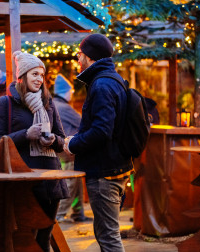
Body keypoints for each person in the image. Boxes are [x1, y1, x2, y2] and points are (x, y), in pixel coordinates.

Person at [0, 51, 68, 252]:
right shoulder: (5, 103)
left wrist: (52, 140)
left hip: (50, 180)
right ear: (22, 76)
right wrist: (26, 134)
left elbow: (61, 140)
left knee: (44, 238)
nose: (39, 79)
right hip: (23, 182)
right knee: (24, 240)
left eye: (42, 75)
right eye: (34, 74)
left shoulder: (48, 104)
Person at [63, 34, 134, 252]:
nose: (77, 58)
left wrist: (73, 144)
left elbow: (102, 130)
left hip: (104, 171)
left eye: (79, 54)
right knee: (106, 233)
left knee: (108, 236)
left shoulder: (102, 85)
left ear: (89, 56)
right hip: (113, 166)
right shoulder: (112, 79)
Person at [53, 74, 92, 223]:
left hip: (61, 149)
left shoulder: (54, 103)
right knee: (70, 181)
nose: (72, 94)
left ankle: (78, 213)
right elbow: (82, 122)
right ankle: (59, 214)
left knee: (75, 182)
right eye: (71, 91)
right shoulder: (64, 107)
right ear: (65, 92)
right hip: (67, 150)